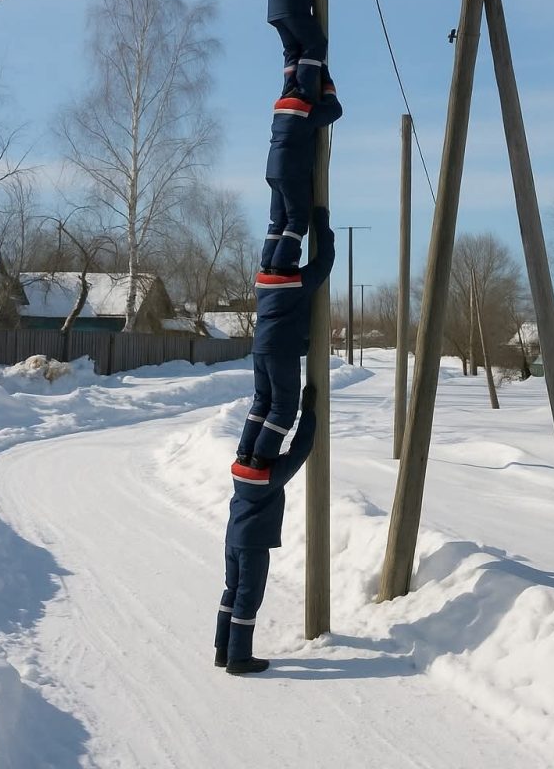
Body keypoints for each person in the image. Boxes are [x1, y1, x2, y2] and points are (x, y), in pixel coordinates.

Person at [215, 383, 317, 676]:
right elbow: (300, 449)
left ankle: (223, 650)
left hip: (233, 540)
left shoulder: (239, 471)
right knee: (248, 597)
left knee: (232, 591)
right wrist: (309, 413)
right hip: (254, 545)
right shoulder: (270, 477)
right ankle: (239, 658)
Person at [238, 206, 334, 467]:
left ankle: (246, 453)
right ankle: (260, 455)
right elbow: (324, 260)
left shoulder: (262, 282)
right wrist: (321, 219)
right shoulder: (295, 283)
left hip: (260, 349)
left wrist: (318, 221)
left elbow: (320, 257)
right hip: (281, 350)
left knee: (262, 402)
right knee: (282, 408)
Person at [261, 84, 342, 274]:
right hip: (291, 171)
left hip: (273, 171)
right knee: (297, 220)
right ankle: (282, 263)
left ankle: (267, 263)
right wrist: (328, 87)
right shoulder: (304, 110)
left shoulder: (279, 109)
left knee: (278, 220)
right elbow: (335, 110)